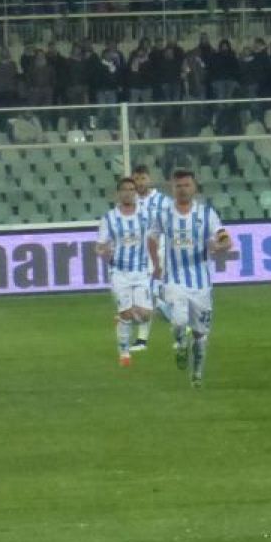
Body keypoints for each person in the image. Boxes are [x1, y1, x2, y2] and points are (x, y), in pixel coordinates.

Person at [146, 169, 232, 387]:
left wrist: (221, 245)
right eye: (178, 186)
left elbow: (224, 237)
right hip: (174, 279)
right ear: (172, 189)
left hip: (201, 284)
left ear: (194, 187)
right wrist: (156, 264)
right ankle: (180, 343)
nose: (182, 189)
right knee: (179, 320)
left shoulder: (206, 214)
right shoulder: (163, 214)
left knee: (200, 335)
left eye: (186, 185)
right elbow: (152, 238)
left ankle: (197, 374)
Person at [95, 175, 153, 368]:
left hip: (141, 271)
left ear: (136, 193)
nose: (128, 193)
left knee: (145, 315)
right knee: (127, 314)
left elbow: (156, 235)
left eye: (131, 190)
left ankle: (122, 318)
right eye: (124, 190)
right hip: (119, 273)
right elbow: (99, 246)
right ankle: (124, 352)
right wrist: (103, 251)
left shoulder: (145, 214)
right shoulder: (110, 218)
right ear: (118, 194)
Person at [128, 163, 170, 352]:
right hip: (139, 255)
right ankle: (170, 315)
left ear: (149, 179)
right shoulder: (130, 201)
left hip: (160, 252)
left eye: (143, 178)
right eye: (136, 179)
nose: (139, 182)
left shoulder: (163, 201)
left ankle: (142, 340)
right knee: (146, 297)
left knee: (148, 293)